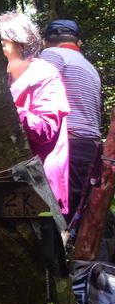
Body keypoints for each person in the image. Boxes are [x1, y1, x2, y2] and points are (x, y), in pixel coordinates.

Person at [0, 11, 71, 216]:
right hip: (11, 183)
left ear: (20, 43)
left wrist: (6, 109)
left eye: (2, 43)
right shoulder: (3, 80)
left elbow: (44, 129)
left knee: (42, 246)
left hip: (40, 183)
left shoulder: (45, 74)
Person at [39, 18, 103, 218]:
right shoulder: (90, 67)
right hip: (91, 149)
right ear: (78, 42)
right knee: (82, 218)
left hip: (65, 148)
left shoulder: (50, 55)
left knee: (53, 219)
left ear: (45, 41)